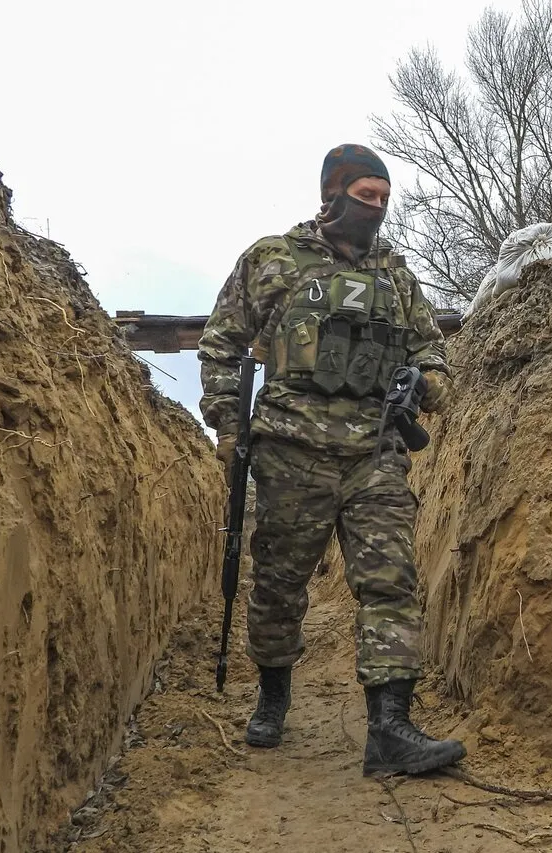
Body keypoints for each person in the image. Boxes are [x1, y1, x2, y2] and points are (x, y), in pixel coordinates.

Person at [197, 143, 466, 776]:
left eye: (382, 200)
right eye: (363, 197)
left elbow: (435, 352)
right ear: (331, 195)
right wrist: (227, 426)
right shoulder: (273, 260)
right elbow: (220, 343)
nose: (374, 210)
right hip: (291, 450)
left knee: (390, 584)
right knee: (279, 585)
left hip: (374, 452)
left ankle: (390, 728)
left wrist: (425, 384)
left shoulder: (397, 278)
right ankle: (273, 695)